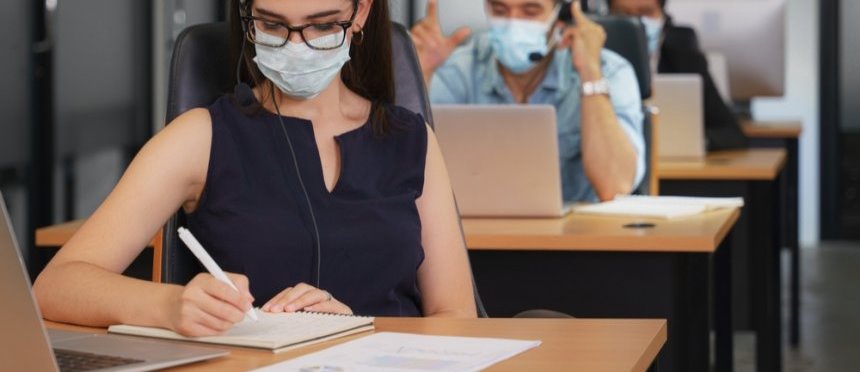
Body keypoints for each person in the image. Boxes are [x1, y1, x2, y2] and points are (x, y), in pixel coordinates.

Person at [33, 0, 477, 337]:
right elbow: (56, 285)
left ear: (359, 13)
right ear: (247, 15)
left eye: (322, 25)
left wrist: (361, 327)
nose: (297, 47)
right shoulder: (200, 137)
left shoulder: (412, 140)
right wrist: (168, 305)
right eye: (272, 25)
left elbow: (458, 319)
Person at [411, 0, 646, 202]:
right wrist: (416, 76)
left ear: (561, 18)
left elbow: (615, 186)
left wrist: (590, 72)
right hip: (479, 240)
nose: (514, 23)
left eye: (530, 11)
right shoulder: (457, 68)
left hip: (581, 245)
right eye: (500, 10)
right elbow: (411, 178)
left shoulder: (610, 70)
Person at [609, 0, 748, 150]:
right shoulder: (594, 61)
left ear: (662, 14)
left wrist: (690, 143)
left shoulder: (683, 56)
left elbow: (730, 133)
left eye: (645, 12)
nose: (636, 22)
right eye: (622, 14)